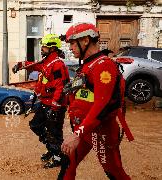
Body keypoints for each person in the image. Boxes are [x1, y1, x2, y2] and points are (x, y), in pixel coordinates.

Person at [60, 22, 133, 180]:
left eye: (73, 43)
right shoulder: (86, 66)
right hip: (85, 129)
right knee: (68, 165)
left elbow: (102, 105)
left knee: (115, 172)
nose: (70, 48)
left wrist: (77, 134)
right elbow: (82, 96)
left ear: (85, 41)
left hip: (101, 132)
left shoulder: (103, 65)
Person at [12, 34, 70, 168]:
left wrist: (54, 108)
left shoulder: (57, 65)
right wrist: (20, 65)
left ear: (52, 48)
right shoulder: (47, 62)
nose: (41, 48)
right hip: (45, 103)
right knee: (35, 125)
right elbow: (34, 65)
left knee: (54, 132)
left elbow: (60, 87)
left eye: (44, 46)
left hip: (54, 106)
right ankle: (53, 149)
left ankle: (58, 157)